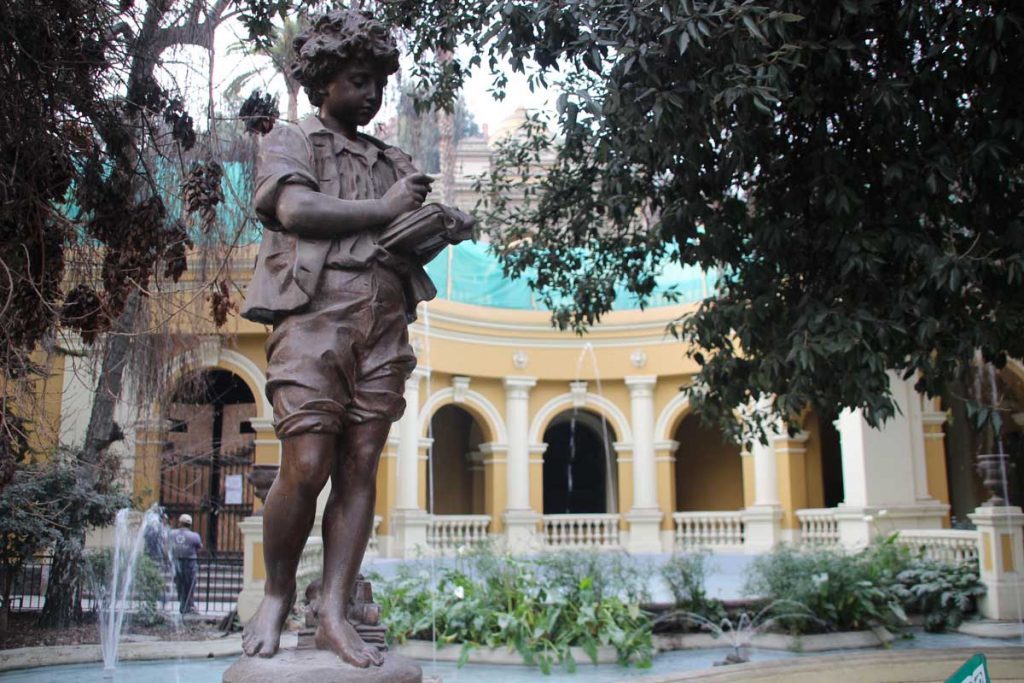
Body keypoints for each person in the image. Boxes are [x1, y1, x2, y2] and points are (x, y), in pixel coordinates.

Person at [238, 8, 472, 668]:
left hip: (382, 315)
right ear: (324, 80)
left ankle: (334, 609)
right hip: (314, 314)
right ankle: (278, 593)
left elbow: (402, 226)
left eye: (377, 84)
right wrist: (387, 209)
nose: (370, 95)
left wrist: (437, 223)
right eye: (359, 80)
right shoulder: (293, 140)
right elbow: (296, 210)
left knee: (361, 465)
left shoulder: (390, 158)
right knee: (307, 463)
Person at [170, 513, 202, 614]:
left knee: (180, 584)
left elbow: (167, 545)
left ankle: (182, 604)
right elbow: (199, 547)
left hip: (176, 562)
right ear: (190, 524)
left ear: (180, 523)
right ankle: (189, 605)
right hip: (190, 563)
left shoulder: (172, 533)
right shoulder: (194, 536)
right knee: (190, 585)